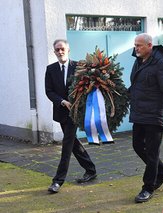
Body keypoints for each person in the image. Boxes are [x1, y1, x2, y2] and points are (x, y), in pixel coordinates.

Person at [129, 33, 163, 203]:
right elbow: (137, 85)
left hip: (155, 115)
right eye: (135, 45)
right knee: (137, 146)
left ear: (150, 45)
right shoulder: (139, 60)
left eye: (139, 46)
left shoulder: (162, 63)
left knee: (152, 152)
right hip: (139, 113)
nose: (136, 48)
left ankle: (148, 187)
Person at [45, 39, 97, 193]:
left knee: (67, 144)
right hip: (61, 111)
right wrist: (61, 101)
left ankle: (58, 181)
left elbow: (88, 87)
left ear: (68, 50)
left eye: (62, 49)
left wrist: (77, 102)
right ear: (54, 52)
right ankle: (91, 169)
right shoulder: (50, 69)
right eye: (57, 50)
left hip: (75, 112)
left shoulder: (79, 67)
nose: (60, 52)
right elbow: (49, 91)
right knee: (73, 142)